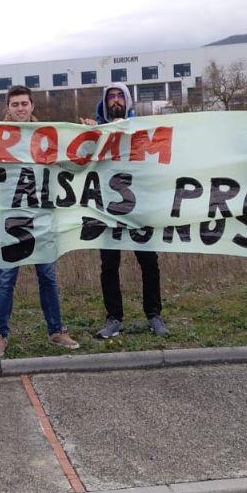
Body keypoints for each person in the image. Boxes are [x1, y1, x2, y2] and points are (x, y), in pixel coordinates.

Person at [0, 86, 79, 357]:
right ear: (8, 108)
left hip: (42, 220)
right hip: (10, 221)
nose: (20, 109)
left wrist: (91, 134)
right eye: (14, 104)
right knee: (6, 279)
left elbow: (73, 164)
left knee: (48, 278)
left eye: (24, 103)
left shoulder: (49, 137)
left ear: (32, 106)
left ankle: (56, 330)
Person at [80, 82, 169, 339]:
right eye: (112, 97)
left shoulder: (140, 130)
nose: (116, 100)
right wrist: (87, 139)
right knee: (109, 265)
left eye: (120, 96)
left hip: (139, 207)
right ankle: (114, 318)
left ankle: (154, 314)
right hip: (107, 209)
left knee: (149, 262)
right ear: (105, 102)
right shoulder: (95, 132)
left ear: (128, 100)